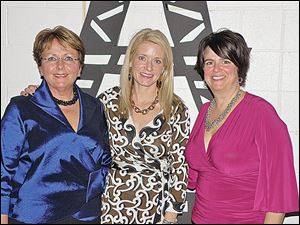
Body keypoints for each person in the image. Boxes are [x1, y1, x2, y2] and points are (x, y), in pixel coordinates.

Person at [20, 28, 190, 224]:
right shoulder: (108, 101)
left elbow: (179, 166)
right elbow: (74, 128)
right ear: (131, 61)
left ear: (165, 68)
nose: (148, 67)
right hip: (111, 203)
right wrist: (41, 95)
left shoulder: (176, 108)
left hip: (156, 207)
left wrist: (170, 217)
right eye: (142, 58)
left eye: (157, 61)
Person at [185, 28, 299, 224]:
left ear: (239, 67)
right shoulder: (204, 111)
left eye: (225, 61)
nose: (216, 69)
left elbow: (278, 197)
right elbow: (192, 176)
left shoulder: (262, 114)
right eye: (209, 62)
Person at [1, 26, 112, 224]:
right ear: (40, 67)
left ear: (80, 67)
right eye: (51, 58)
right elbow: (3, 169)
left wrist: (89, 190)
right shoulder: (22, 108)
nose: (60, 66)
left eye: (69, 58)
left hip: (85, 215)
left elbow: (106, 159)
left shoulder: (95, 107)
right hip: (33, 216)